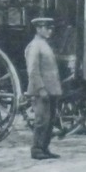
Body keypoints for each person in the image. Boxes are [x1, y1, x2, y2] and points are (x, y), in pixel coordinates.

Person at [25, 16, 63, 159]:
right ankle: (36, 149)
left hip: (51, 89)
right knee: (41, 120)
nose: (50, 31)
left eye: (51, 28)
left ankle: (44, 148)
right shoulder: (35, 46)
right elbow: (33, 70)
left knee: (50, 120)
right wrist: (41, 89)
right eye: (47, 28)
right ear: (38, 29)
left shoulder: (44, 44)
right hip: (42, 90)